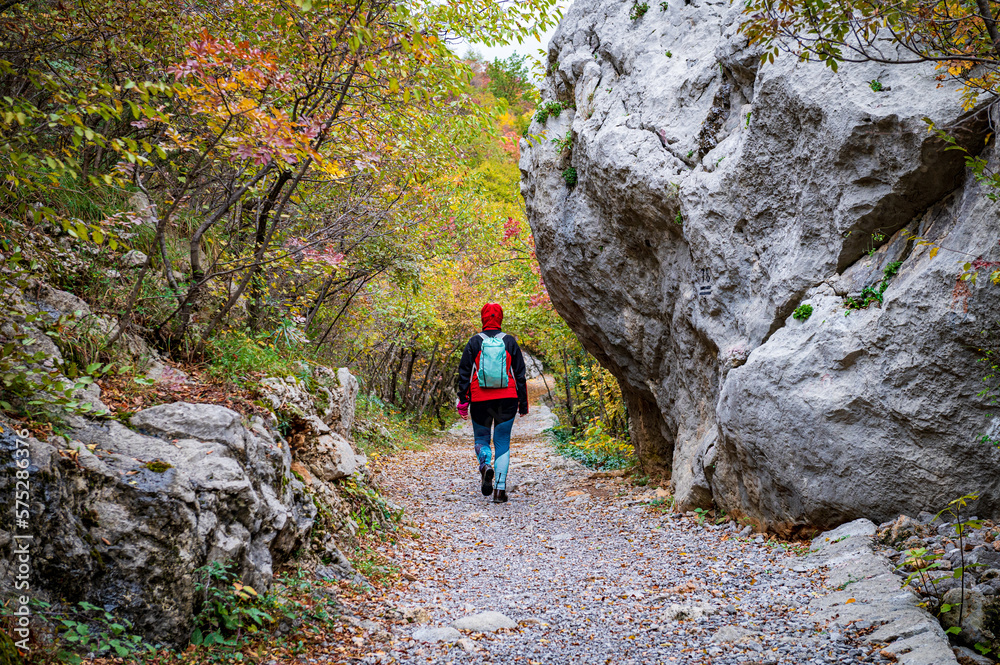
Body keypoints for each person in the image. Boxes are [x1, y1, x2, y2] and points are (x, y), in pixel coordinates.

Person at [456, 303, 528, 503]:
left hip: (480, 398)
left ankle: (485, 464)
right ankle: (499, 490)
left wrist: (463, 400)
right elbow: (520, 375)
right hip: (508, 399)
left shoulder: (474, 342)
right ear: (500, 318)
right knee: (503, 442)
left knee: (481, 439)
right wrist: (523, 403)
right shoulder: (510, 341)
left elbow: (464, 373)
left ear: (483, 318)